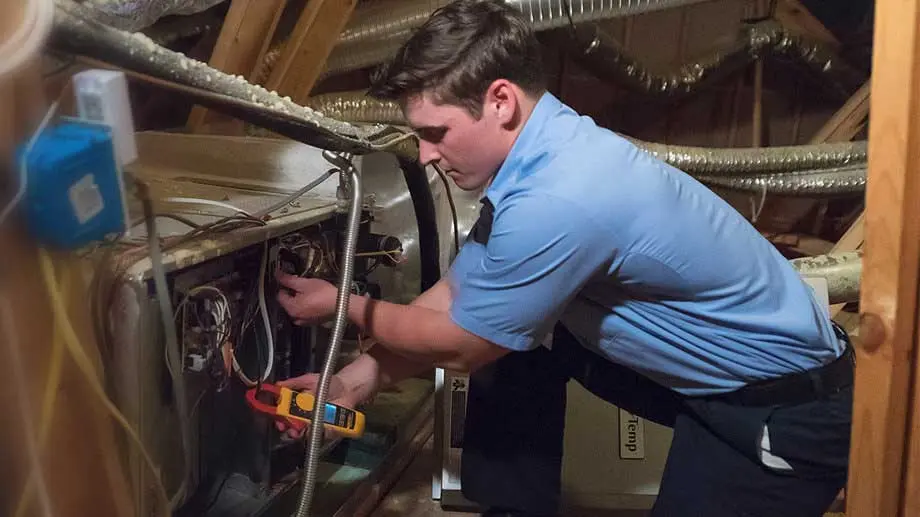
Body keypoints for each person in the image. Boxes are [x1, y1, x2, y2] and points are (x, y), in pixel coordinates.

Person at [274, 1, 854, 516]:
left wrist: (347, 306)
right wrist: (350, 382)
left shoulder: (561, 195)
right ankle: (513, 504)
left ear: (500, 101)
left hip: (782, 411)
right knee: (522, 331)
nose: (425, 156)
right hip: (712, 377)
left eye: (436, 132)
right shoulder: (542, 156)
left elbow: (462, 343)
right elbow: (462, 290)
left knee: (497, 338)